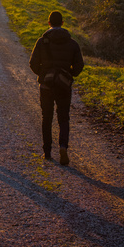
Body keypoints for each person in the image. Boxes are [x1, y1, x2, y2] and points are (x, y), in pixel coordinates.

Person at [29, 11, 84, 164]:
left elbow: (32, 63)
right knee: (63, 117)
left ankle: (47, 152)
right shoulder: (72, 43)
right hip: (64, 86)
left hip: (46, 85)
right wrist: (69, 75)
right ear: (63, 23)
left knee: (46, 118)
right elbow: (80, 65)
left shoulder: (42, 41)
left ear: (49, 23)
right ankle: (63, 146)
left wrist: (44, 74)